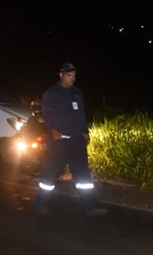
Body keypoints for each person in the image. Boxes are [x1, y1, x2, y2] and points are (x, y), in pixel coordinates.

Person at [34, 62, 107, 216]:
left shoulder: (77, 93)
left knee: (83, 176)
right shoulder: (51, 93)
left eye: (74, 76)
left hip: (77, 142)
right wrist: (53, 130)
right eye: (69, 76)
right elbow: (47, 114)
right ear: (61, 75)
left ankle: (91, 207)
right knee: (51, 174)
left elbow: (81, 115)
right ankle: (41, 204)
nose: (72, 79)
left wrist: (85, 132)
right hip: (60, 142)